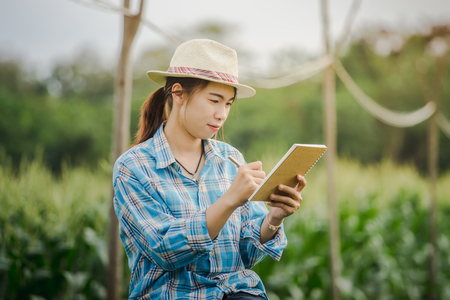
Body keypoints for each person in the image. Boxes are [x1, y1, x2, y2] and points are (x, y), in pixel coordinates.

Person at [113, 39, 306, 300]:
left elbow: (246, 255)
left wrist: (273, 218)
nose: (221, 114)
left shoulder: (231, 159)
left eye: (228, 103)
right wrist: (228, 200)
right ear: (178, 93)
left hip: (238, 293)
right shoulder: (133, 167)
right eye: (214, 100)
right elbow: (165, 250)